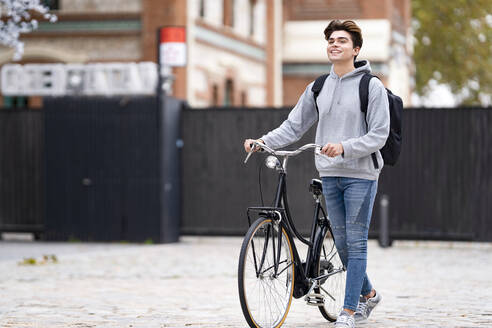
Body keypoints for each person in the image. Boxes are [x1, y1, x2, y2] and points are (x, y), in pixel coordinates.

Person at [243, 20, 389, 327]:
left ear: (356, 49)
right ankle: (370, 294)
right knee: (343, 244)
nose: (334, 44)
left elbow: (380, 134)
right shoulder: (318, 87)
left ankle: (348, 312)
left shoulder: (371, 86)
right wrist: (263, 141)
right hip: (330, 173)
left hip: (361, 174)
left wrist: (345, 147)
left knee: (356, 242)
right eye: (331, 41)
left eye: (342, 41)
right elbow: (294, 126)